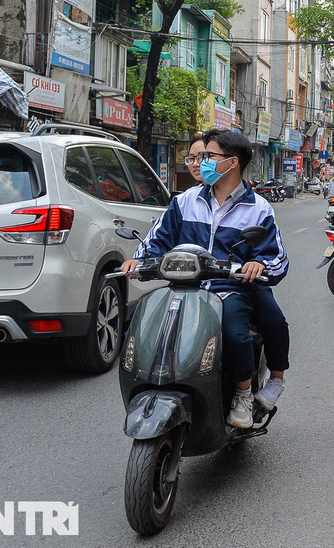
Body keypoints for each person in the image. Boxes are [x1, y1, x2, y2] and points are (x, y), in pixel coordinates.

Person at [122, 129, 291, 428]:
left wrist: (257, 264)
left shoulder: (259, 209)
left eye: (208, 156)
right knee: (139, 321)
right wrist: (140, 258)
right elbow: (158, 237)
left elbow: (276, 257)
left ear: (232, 162)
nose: (201, 162)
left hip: (229, 289)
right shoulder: (185, 201)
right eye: (200, 156)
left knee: (237, 334)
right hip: (184, 287)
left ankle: (242, 394)